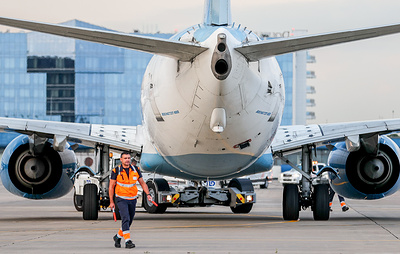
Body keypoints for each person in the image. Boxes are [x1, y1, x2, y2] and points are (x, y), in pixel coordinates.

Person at [109, 152, 153, 249]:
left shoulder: (136, 169)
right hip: (121, 199)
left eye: (128, 158)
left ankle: (117, 237)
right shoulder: (116, 170)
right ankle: (128, 241)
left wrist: (148, 194)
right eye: (125, 158)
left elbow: (142, 183)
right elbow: (111, 187)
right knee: (126, 218)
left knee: (129, 221)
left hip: (133, 199)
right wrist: (111, 202)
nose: (127, 160)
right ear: (121, 160)